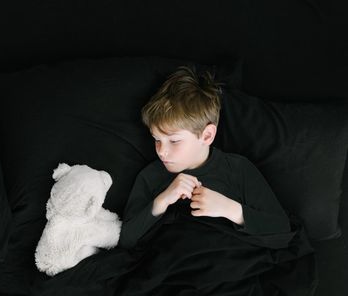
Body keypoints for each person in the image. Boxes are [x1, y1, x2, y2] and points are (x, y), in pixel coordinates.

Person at [118, 66, 291, 249]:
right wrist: (162, 201)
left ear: (207, 136)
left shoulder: (238, 169)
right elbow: (126, 241)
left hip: (229, 260)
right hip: (169, 262)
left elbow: (281, 230)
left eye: (174, 141)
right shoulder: (150, 176)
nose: (161, 151)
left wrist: (230, 209)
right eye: (156, 140)